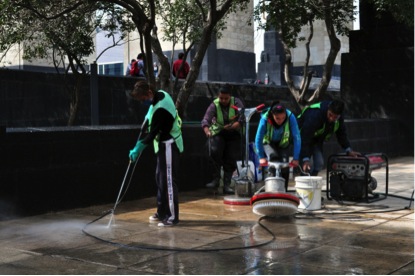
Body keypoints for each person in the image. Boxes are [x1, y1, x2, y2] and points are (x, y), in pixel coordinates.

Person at [128, 80, 183, 227]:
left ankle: (172, 217)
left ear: (149, 93)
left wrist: (137, 148)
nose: (143, 102)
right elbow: (151, 110)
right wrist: (146, 118)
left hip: (169, 144)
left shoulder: (161, 109)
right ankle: (162, 212)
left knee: (169, 181)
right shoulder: (160, 95)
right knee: (160, 178)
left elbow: (152, 134)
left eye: (144, 99)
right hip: (162, 145)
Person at [297, 99, 360, 176]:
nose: (331, 119)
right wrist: (305, 159)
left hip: (316, 139)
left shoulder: (339, 119)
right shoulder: (315, 115)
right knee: (308, 165)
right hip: (301, 137)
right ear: (328, 109)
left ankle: (313, 180)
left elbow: (341, 134)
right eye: (330, 115)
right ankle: (306, 181)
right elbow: (305, 137)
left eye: (335, 117)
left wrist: (348, 150)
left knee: (319, 163)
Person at [201, 85, 244, 194]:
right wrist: (207, 131)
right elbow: (205, 120)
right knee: (214, 150)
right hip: (219, 133)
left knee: (231, 156)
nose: (223, 101)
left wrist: (236, 125)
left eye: (226, 98)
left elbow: (242, 117)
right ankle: (215, 179)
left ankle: (227, 184)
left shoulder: (237, 103)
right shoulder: (214, 105)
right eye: (221, 98)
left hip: (234, 133)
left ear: (230, 97)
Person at [254, 101, 301, 191]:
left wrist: (296, 157)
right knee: (274, 160)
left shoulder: (291, 117)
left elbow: (297, 137)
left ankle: (284, 191)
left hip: (284, 144)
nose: (281, 121)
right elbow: (258, 138)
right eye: (277, 118)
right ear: (272, 115)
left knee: (284, 165)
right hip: (269, 143)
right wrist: (261, 157)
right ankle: (272, 190)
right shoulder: (265, 119)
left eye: (283, 118)